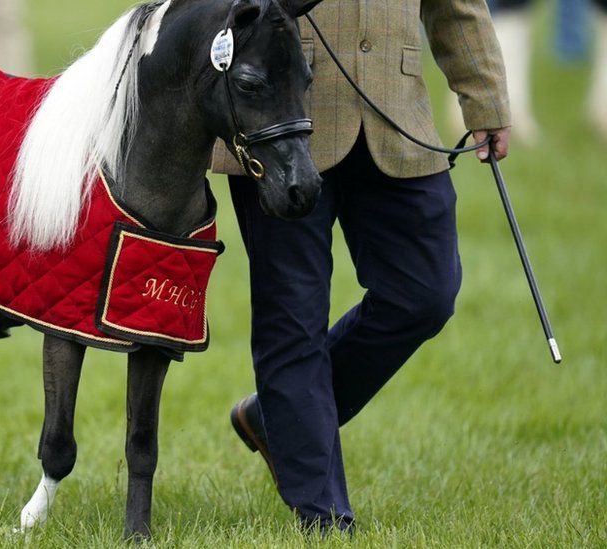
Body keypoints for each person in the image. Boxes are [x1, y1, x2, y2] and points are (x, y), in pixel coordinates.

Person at [210, 0, 512, 533]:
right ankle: (324, 517)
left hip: (398, 116)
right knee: (293, 318)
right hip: (279, 120)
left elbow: (457, 6)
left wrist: (484, 97)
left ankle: (275, 419)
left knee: (425, 294)